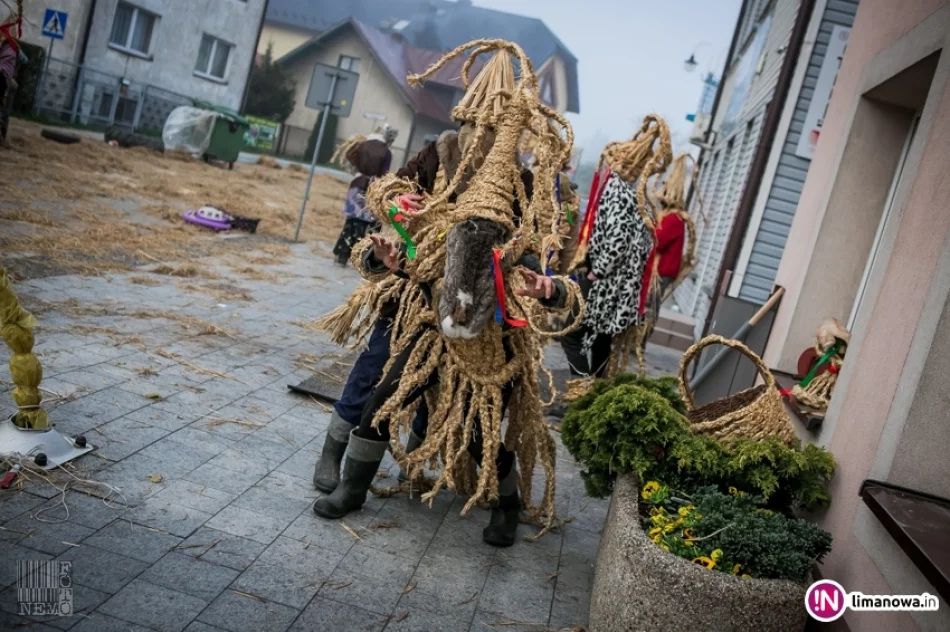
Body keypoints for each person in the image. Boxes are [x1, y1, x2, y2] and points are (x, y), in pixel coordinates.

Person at [312, 41, 579, 547]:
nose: (487, 134)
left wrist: (549, 286)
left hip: (484, 333)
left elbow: (545, 261)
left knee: (482, 435)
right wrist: (395, 224)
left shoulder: (524, 185)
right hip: (422, 318)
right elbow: (388, 198)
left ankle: (506, 505)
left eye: (500, 127)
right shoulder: (440, 153)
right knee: (381, 397)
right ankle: (350, 486)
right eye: (481, 123)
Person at [557, 115, 673, 379]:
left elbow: (617, 239)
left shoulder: (617, 190)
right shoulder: (633, 194)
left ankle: (581, 392)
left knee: (572, 335)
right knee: (600, 342)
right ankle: (594, 394)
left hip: (605, 285)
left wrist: (595, 271)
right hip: (619, 285)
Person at [331, 126, 398, 266]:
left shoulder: (362, 145)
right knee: (366, 224)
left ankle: (342, 254)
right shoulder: (386, 152)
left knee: (351, 220)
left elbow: (350, 156)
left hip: (356, 184)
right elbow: (383, 174)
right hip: (371, 189)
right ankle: (360, 256)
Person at [0, 2, 21, 148]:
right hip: (5, 83)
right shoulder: (9, 48)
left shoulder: (10, 49)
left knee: (3, 114)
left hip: (4, 83)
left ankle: (2, 136)